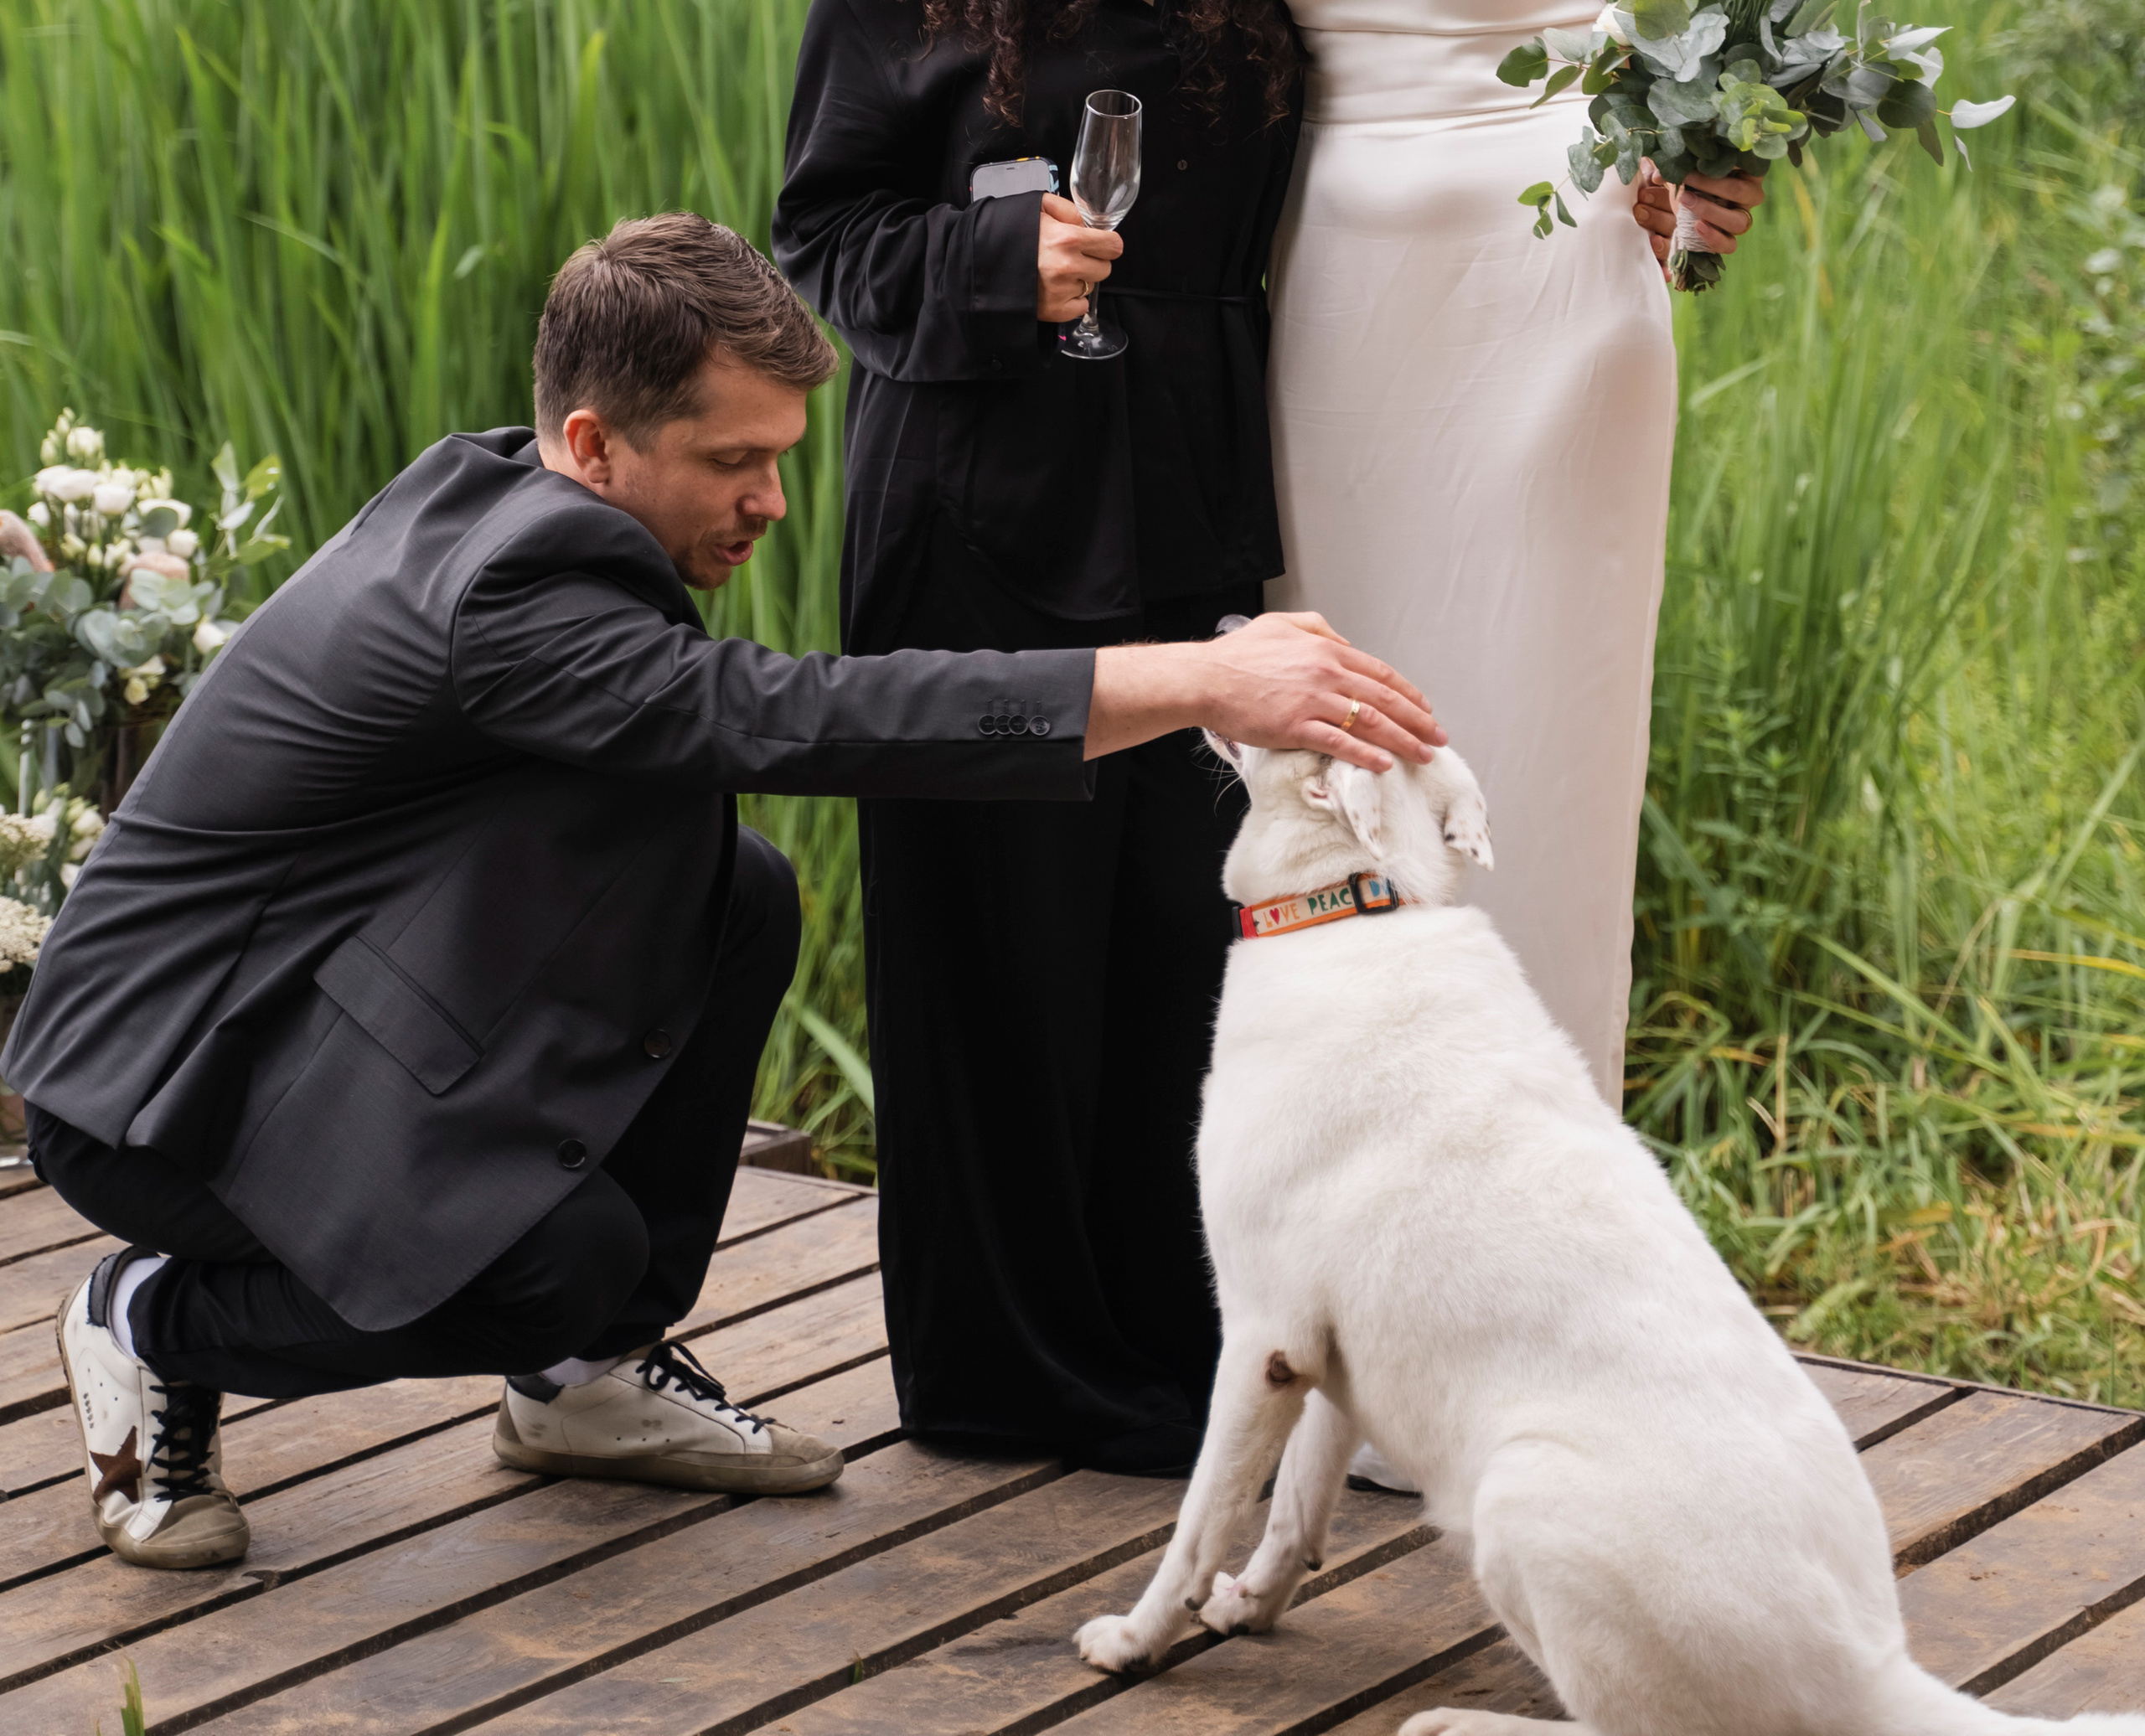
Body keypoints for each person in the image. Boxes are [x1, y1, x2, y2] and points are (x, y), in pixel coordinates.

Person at [4, 211, 1438, 1572]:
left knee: (730, 886)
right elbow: (795, 717)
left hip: (299, 981)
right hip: (164, 1085)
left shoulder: (524, 504)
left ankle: (581, 1382)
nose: (770, 498)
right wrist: (1198, 676)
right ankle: (152, 1315)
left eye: (782, 454)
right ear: (592, 441)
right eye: (731, 459)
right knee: (547, 1258)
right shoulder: (514, 597)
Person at [773, 0, 1306, 1475]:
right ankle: (1010, 1382)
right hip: (976, 509)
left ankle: (1170, 1353)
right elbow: (822, 240)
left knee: (1169, 945)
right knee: (994, 952)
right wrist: (994, 273)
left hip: (1175, 499)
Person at [1267, 0, 1760, 1116]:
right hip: (1327, 319)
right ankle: (1327, 1238)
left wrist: (1704, 214)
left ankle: (1533, 1237)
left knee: (1531, 768)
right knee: (1332, 773)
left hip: (1558, 326)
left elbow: (1679, 97)